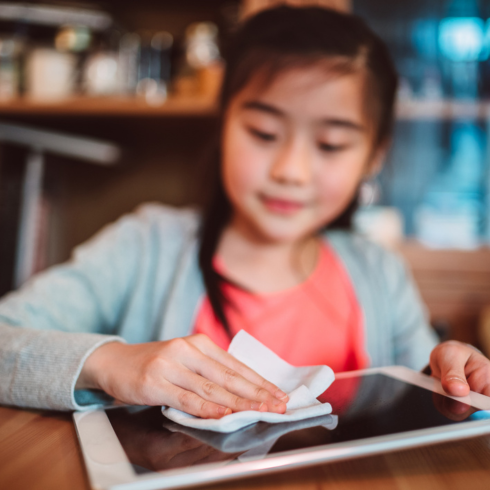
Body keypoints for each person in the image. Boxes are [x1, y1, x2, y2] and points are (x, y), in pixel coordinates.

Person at [1, 6, 489, 416]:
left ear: (374, 156)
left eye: (331, 144)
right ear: (225, 122)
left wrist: (449, 378)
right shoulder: (145, 246)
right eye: (263, 134)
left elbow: (423, 397)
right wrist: (110, 362)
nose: (291, 170)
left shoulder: (379, 272)